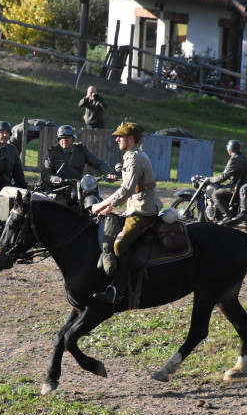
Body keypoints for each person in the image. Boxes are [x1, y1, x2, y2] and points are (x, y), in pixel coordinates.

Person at [90, 121, 162, 305]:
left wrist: (101, 204)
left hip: (143, 211)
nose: (116, 139)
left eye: (120, 137)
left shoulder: (136, 158)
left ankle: (118, 292)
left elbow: (127, 189)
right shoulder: (132, 155)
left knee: (119, 246)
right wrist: (110, 208)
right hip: (135, 206)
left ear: (131, 139)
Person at [41, 124, 118, 185]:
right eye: (62, 138)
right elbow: (45, 173)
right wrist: (55, 179)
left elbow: (98, 163)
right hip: (56, 187)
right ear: (59, 140)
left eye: (67, 138)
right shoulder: (52, 152)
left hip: (77, 186)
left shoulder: (81, 150)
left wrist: (109, 173)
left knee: (93, 197)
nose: (64, 140)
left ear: (73, 139)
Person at [200, 139, 247, 221]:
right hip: (243, 185)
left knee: (215, 194)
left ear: (229, 150)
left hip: (235, 187)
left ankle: (226, 216)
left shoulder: (234, 160)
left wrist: (210, 179)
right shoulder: (243, 158)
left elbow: (224, 176)